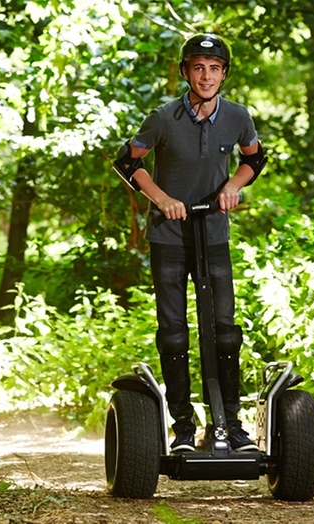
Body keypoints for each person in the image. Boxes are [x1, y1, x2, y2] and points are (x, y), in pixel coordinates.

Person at [112, 33, 267, 453]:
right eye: (198, 67)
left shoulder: (238, 117)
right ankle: (182, 427)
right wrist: (162, 199)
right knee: (175, 333)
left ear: (223, 75)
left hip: (214, 235)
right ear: (185, 72)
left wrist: (233, 186)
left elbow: (254, 159)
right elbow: (128, 162)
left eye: (214, 68)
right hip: (168, 237)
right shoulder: (162, 118)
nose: (206, 75)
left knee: (225, 332)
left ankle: (231, 425)